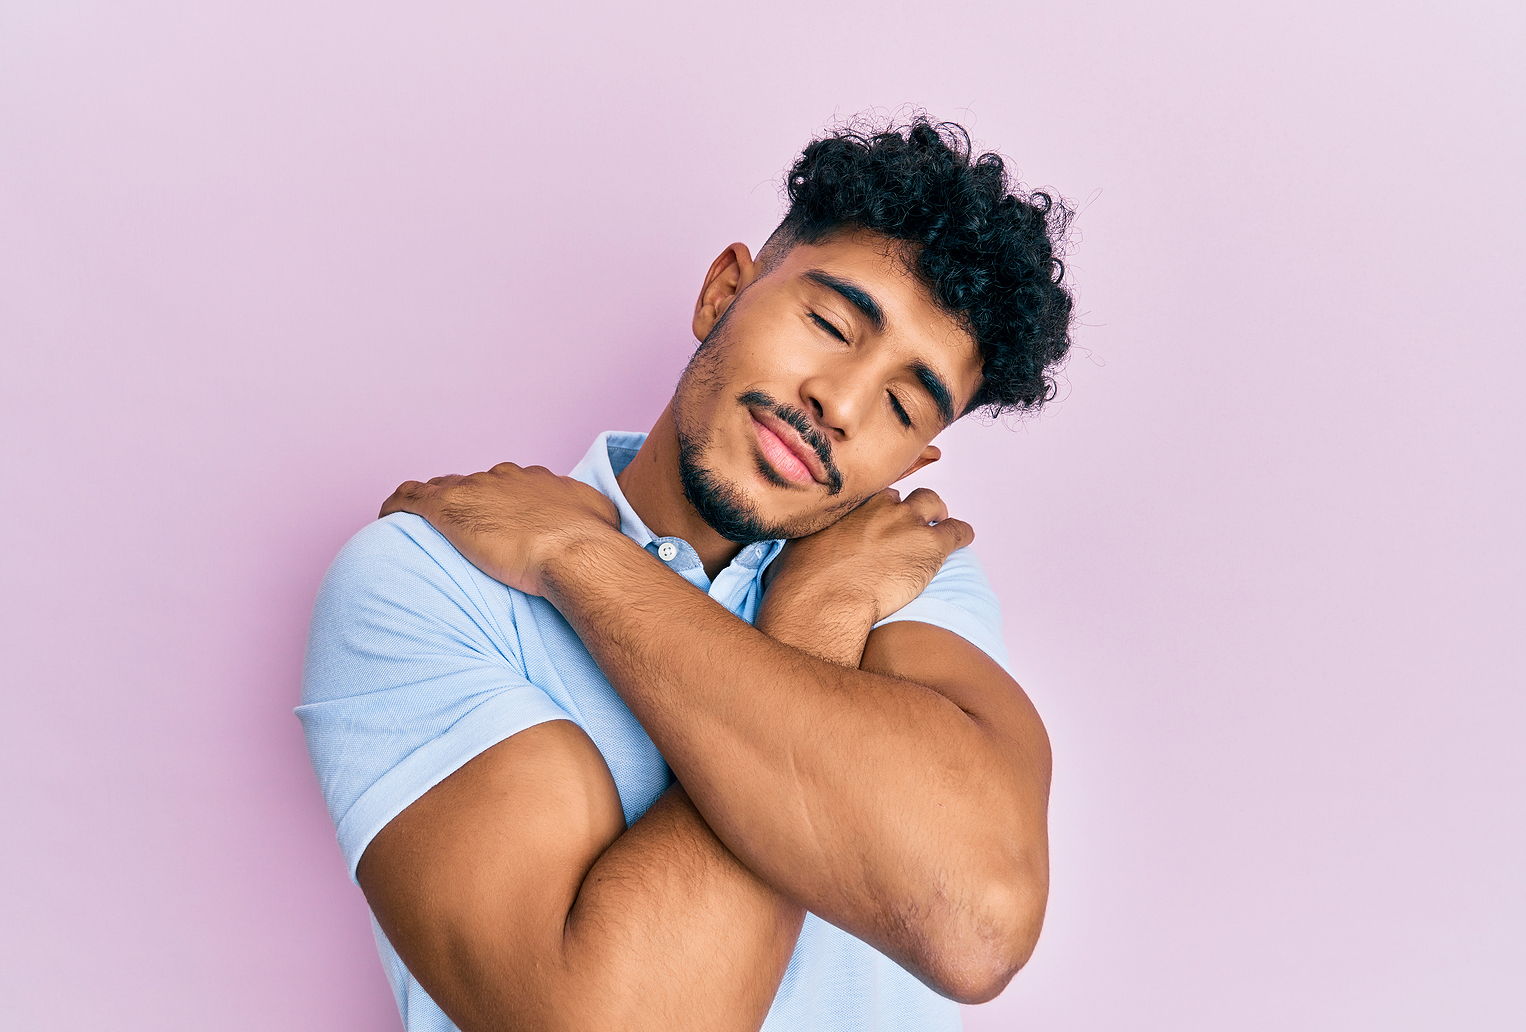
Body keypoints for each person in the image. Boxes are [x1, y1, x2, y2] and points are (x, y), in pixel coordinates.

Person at [295, 109, 1076, 1032]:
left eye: (905, 406)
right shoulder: (432, 582)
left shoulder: (905, 576)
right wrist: (817, 626)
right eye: (830, 323)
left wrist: (581, 558)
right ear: (722, 292)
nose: (838, 402)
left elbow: (976, 925)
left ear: (908, 469)